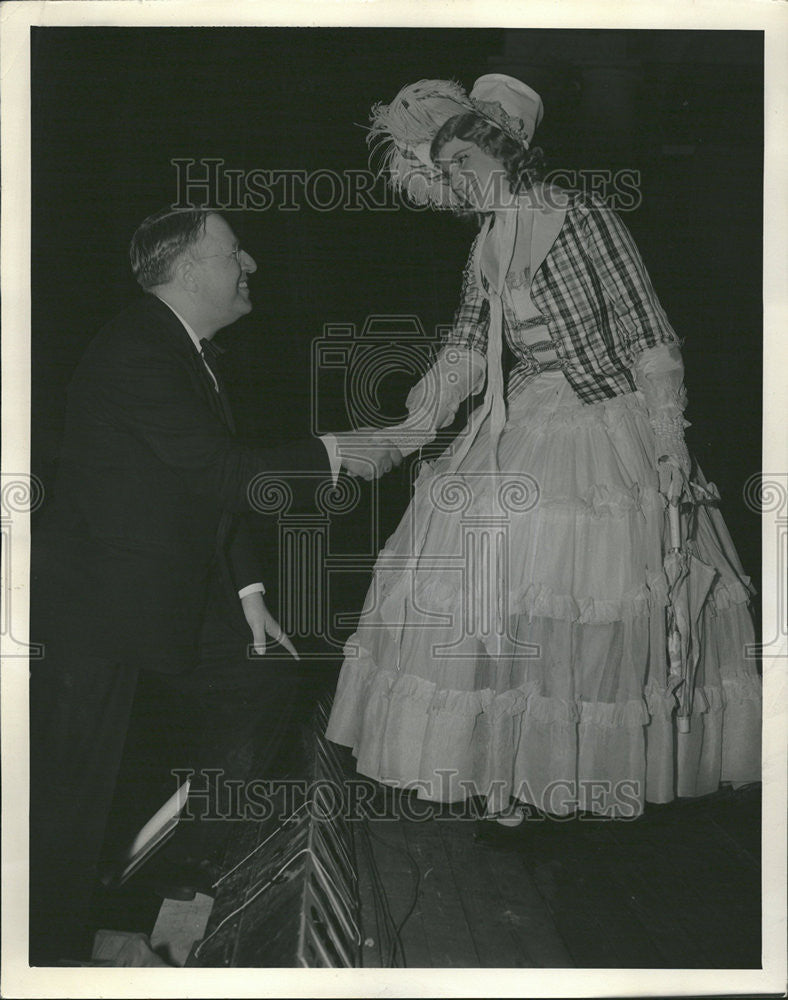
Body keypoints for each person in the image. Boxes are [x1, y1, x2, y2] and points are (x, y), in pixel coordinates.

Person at [326, 75, 762, 826]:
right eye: (448, 168)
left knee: (584, 605)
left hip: (601, 421)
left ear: (506, 154)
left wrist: (666, 441)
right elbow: (466, 349)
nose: (454, 182)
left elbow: (646, 331)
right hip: (523, 413)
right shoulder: (488, 243)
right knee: (491, 591)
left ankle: (568, 774)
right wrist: (403, 433)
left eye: (463, 163)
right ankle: (503, 770)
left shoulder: (580, 218)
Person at [29, 207, 401, 963]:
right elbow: (223, 475)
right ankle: (53, 953)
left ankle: (181, 883)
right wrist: (333, 453)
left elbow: (203, 489)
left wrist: (250, 596)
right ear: (190, 268)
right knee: (67, 802)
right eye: (234, 251)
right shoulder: (138, 348)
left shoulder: (183, 348)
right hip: (95, 609)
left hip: (162, 589)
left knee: (260, 674)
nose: (250, 264)